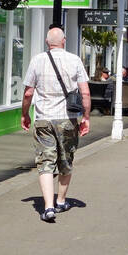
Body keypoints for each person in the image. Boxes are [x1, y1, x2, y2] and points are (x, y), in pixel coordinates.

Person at [20, 26, 90, 223]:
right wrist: (86, 117)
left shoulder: (37, 60)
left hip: (43, 119)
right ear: (64, 41)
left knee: (45, 162)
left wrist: (25, 114)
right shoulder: (74, 60)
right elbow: (85, 92)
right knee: (66, 160)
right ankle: (60, 200)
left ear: (46, 42)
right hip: (67, 119)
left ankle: (48, 207)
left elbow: (28, 93)